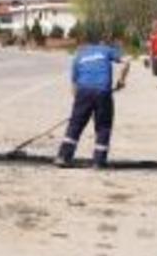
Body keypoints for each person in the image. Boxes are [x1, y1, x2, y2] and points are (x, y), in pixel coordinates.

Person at [54, 26, 130, 169]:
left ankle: (64, 157)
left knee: (75, 124)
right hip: (102, 92)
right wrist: (121, 81)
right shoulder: (106, 50)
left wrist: (79, 106)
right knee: (103, 126)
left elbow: (74, 85)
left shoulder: (79, 55)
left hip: (83, 92)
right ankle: (98, 162)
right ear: (101, 40)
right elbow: (127, 61)